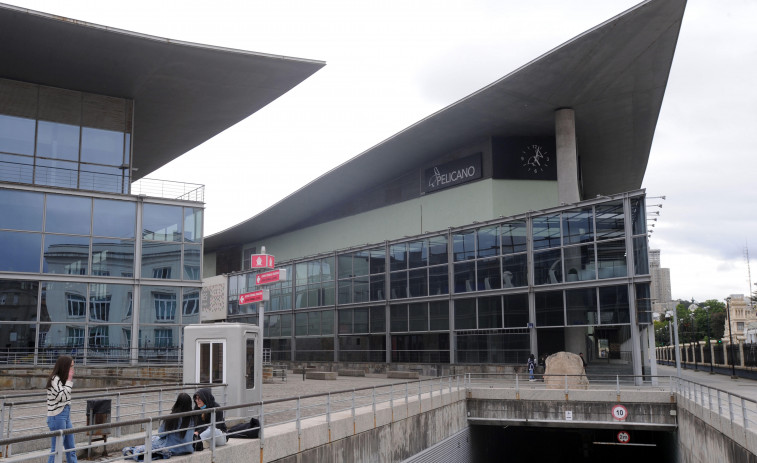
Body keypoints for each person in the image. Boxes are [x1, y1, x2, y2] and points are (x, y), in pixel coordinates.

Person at [122, 393, 195, 460]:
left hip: (173, 449)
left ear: (177, 403)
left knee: (153, 439)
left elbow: (161, 433)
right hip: (188, 449)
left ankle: (134, 450)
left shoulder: (173, 418)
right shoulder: (192, 418)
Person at [46, 355, 77, 463]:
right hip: (57, 415)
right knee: (56, 449)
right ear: (65, 367)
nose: (72, 370)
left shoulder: (62, 380)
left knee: (71, 448)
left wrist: (67, 381)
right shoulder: (55, 379)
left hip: (65, 414)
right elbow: (62, 397)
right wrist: (69, 380)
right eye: (71, 367)